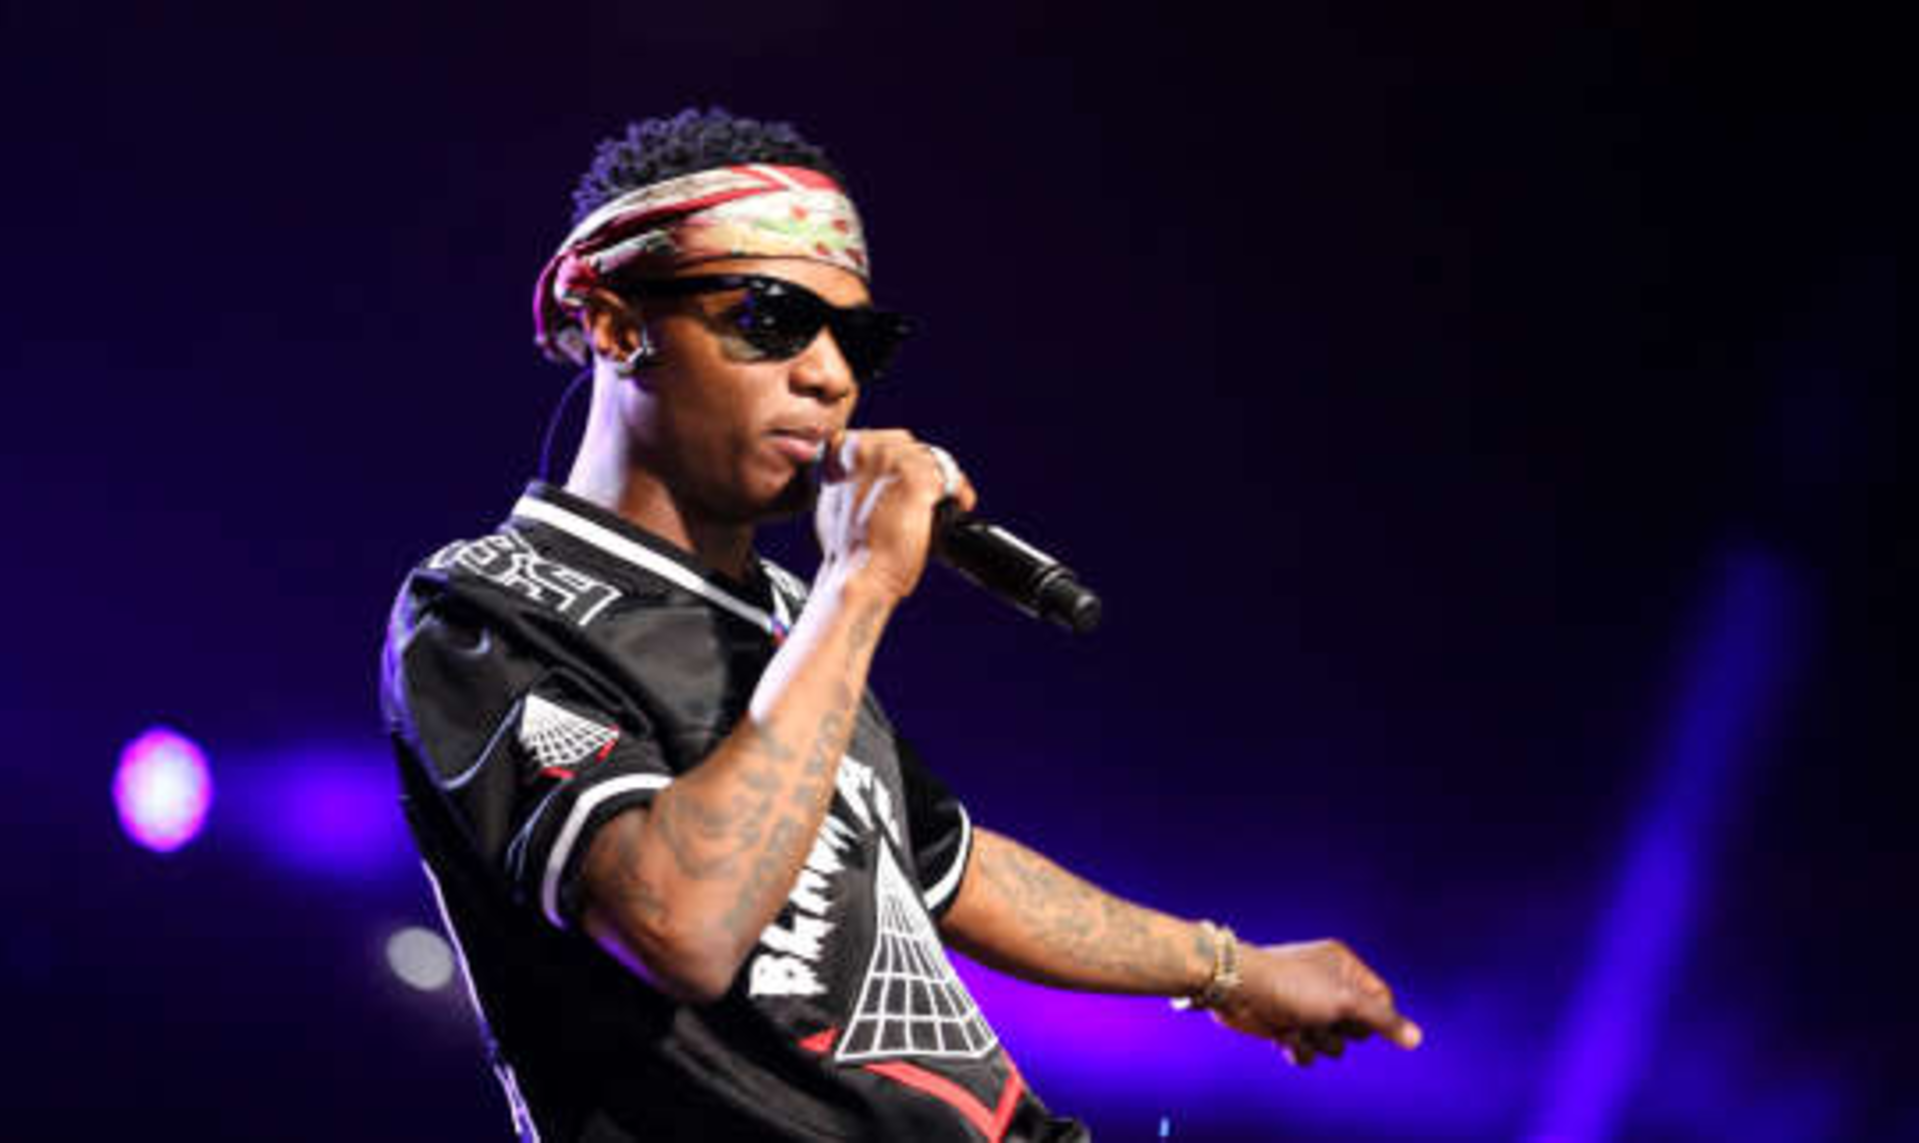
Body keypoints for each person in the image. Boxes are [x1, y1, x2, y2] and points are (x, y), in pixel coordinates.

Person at [380, 107, 1422, 1142]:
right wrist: (862, 583)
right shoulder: (484, 605)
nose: (830, 375)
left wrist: (1230, 967)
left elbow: (947, 866)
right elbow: (680, 926)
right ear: (615, 325)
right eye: (771, 319)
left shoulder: (791, 616)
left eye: (857, 339)